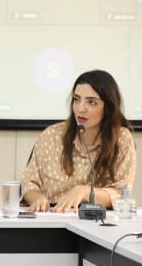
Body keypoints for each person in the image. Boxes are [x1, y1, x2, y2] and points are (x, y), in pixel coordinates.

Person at [21, 70, 136, 214]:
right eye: (76, 99)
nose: (80, 109)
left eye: (92, 102)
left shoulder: (121, 139)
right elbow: (29, 183)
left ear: (108, 107)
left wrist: (85, 192)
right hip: (53, 217)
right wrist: (36, 198)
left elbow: (120, 194)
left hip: (97, 220)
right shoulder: (52, 135)